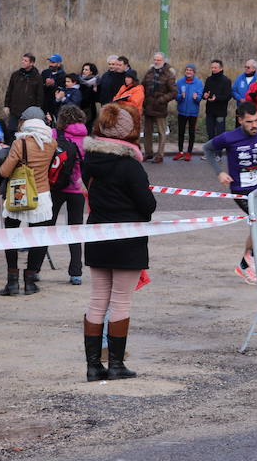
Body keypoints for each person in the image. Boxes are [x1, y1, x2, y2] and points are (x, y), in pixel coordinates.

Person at [82, 103, 157, 381]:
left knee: (98, 299)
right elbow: (147, 205)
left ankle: (93, 366)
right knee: (121, 300)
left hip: (97, 235)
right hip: (127, 238)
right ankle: (115, 364)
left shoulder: (89, 161)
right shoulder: (130, 166)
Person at [203, 101, 257, 284]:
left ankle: (247, 262)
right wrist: (219, 172)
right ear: (240, 120)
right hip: (241, 191)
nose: (254, 125)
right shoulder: (229, 137)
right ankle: (246, 265)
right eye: (249, 122)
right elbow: (207, 149)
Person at [0, 114, 57, 296]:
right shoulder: (51, 144)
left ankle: (12, 282)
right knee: (39, 239)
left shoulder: (20, 143)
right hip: (42, 196)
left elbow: (5, 171)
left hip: (19, 192)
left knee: (11, 237)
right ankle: (30, 282)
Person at [51, 105, 88, 285]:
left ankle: (33, 269)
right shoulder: (87, 139)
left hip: (56, 186)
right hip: (77, 189)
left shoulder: (54, 135)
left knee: (46, 228)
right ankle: (76, 272)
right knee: (75, 230)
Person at [142, 52, 176, 164]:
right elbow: (142, 87)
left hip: (160, 107)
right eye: (155, 60)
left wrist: (162, 100)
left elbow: (174, 92)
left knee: (162, 132)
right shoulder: (149, 72)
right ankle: (148, 153)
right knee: (147, 132)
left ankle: (160, 155)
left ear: (164, 61)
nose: (156, 62)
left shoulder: (169, 74)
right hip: (148, 106)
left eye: (159, 60)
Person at [4, 54, 43, 131]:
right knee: (11, 130)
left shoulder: (37, 77)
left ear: (31, 63)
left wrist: (38, 109)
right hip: (14, 109)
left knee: (25, 132)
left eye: (25, 61)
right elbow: (9, 91)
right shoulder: (15, 75)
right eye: (22, 60)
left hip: (28, 112)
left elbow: (40, 95)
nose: (23, 62)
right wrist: (6, 105)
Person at [174, 63, 203, 161]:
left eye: (190, 70)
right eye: (187, 70)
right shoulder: (179, 82)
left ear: (194, 72)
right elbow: (176, 97)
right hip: (182, 111)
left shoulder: (198, 83)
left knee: (191, 133)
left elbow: (200, 98)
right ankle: (180, 152)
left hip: (193, 112)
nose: (188, 72)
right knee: (181, 132)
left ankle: (189, 152)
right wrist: (180, 96)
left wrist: (196, 98)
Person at [202, 59, 232, 145]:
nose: (213, 69)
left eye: (215, 67)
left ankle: (218, 154)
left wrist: (217, 98)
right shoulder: (209, 79)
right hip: (210, 111)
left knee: (219, 134)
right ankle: (209, 152)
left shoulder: (226, 81)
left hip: (220, 112)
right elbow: (205, 92)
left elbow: (228, 96)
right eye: (212, 67)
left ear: (221, 68)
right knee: (210, 133)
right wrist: (205, 96)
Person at [79, 63, 100, 130]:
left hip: (89, 109)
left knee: (88, 128)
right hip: (79, 107)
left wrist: (95, 91)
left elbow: (97, 98)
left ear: (91, 72)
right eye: (83, 69)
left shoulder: (96, 82)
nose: (83, 71)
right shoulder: (79, 80)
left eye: (86, 70)